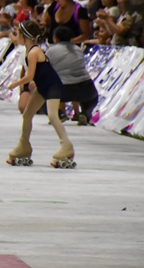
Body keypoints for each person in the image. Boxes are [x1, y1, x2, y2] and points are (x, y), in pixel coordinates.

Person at [6, 20, 75, 168]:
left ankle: (66, 145)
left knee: (52, 116)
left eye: (18, 33)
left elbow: (30, 76)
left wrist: (15, 84)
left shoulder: (34, 52)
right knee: (27, 115)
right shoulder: (28, 51)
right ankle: (24, 145)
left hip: (52, 86)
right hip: (43, 87)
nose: (16, 36)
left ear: (25, 36)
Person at [47, 26, 100, 126]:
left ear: (55, 38)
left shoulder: (51, 51)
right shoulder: (78, 49)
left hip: (62, 89)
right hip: (84, 87)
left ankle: (59, 114)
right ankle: (85, 113)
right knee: (93, 97)